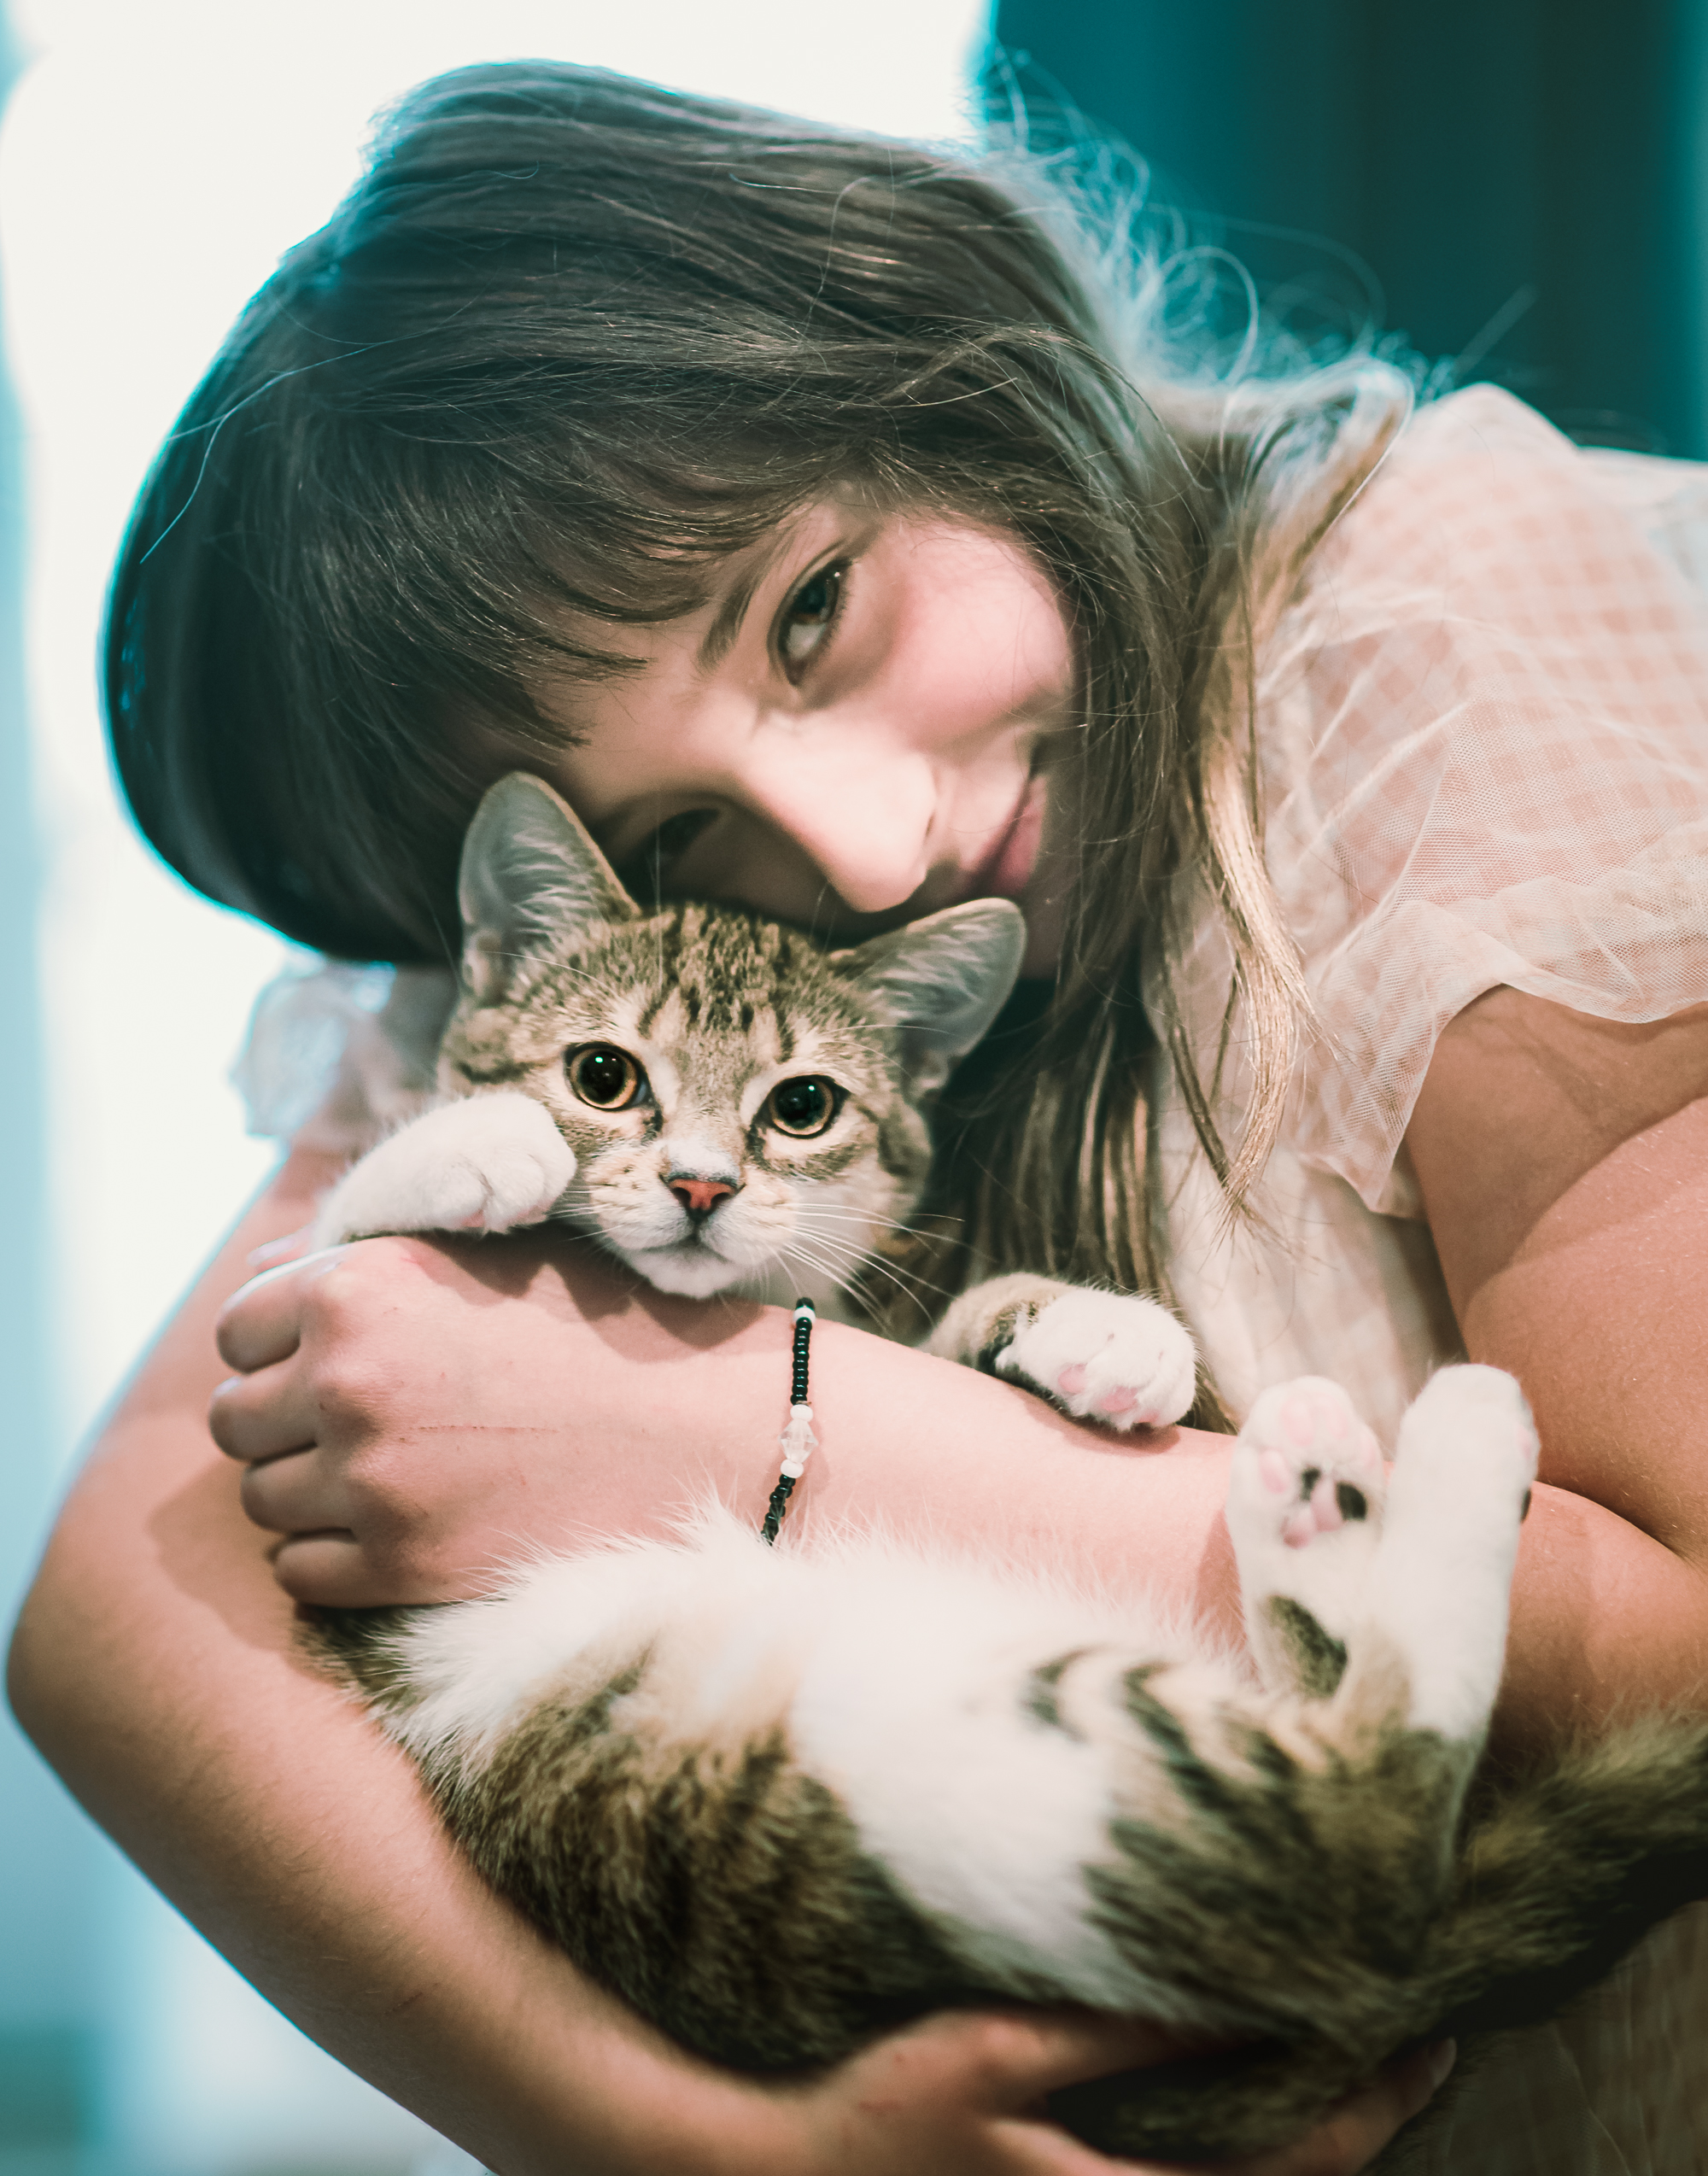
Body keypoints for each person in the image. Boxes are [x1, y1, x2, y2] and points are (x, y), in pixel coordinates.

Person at [9, 57, 1708, 2176]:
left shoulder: (1424, 623)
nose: (871, 846)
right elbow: (109, 1622)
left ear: (920, 345)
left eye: (812, 611)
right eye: (685, 827)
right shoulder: (614, 978)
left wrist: (762, 1429)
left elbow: (1690, 1657)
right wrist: (699, 2137)